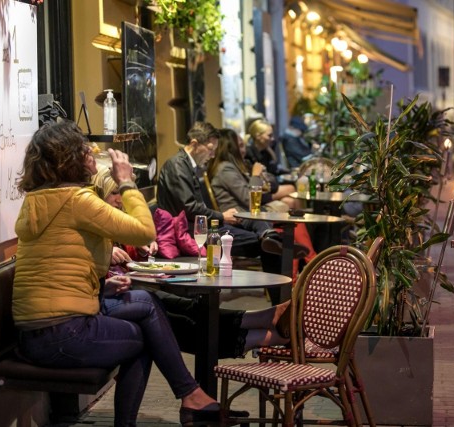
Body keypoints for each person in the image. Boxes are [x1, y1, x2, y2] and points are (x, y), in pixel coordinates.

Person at [12, 121, 246, 426]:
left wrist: (102, 286)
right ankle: (187, 396)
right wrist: (126, 182)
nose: (92, 156)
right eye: (85, 150)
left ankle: (190, 396)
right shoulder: (77, 201)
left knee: (144, 300)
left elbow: (57, 267)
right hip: (61, 334)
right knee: (143, 335)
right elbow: (143, 230)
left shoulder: (36, 200)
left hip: (36, 331)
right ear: (69, 158)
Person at [91, 168, 292, 358]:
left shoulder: (116, 218)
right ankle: (264, 334)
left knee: (185, 306)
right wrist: (107, 252)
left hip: (126, 289)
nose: (120, 199)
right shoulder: (92, 222)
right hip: (108, 299)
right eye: (115, 192)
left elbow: (129, 258)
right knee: (172, 316)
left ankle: (262, 318)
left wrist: (142, 247)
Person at [157, 121, 274, 262]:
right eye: (210, 149)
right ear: (194, 144)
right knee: (265, 244)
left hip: (198, 226)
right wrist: (221, 216)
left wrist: (220, 217)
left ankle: (273, 248)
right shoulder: (177, 166)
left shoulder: (186, 165)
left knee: (267, 237)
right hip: (189, 231)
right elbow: (189, 208)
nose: (213, 155)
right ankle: (279, 282)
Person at [206, 128, 315, 265]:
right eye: (240, 145)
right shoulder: (226, 169)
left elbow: (271, 184)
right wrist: (255, 176)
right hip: (240, 215)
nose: (244, 149)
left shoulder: (237, 166)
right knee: (285, 216)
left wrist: (260, 177)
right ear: (230, 148)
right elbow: (249, 199)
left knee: (289, 217)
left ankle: (301, 256)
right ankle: (306, 258)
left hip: (249, 213)